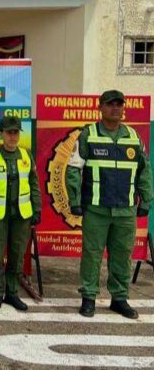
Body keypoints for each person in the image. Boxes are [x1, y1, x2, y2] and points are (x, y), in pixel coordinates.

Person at [65, 90, 153, 319]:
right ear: (101, 108)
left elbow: (144, 171)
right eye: (110, 104)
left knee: (122, 254)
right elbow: (73, 169)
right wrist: (74, 201)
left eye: (119, 104)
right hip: (96, 209)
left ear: (124, 108)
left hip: (126, 210)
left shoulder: (133, 137)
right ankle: (89, 298)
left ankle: (119, 298)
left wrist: (147, 199)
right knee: (92, 254)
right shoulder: (88, 135)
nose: (116, 108)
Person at [0, 116, 42, 311]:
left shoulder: (26, 156)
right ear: (1, 134)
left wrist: (36, 209)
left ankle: (12, 294)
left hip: (21, 216)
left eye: (16, 132)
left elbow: (34, 185)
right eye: (9, 132)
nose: (13, 137)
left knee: (17, 255)